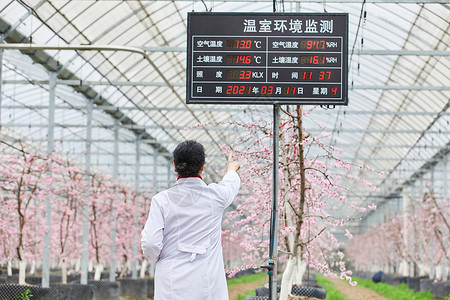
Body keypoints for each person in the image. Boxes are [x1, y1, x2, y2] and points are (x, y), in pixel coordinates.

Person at [141, 140, 240, 300]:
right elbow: (230, 184)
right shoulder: (216, 197)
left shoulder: (161, 200)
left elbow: (150, 243)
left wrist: (162, 259)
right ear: (202, 167)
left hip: (171, 280)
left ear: (174, 165)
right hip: (206, 281)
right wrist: (231, 169)